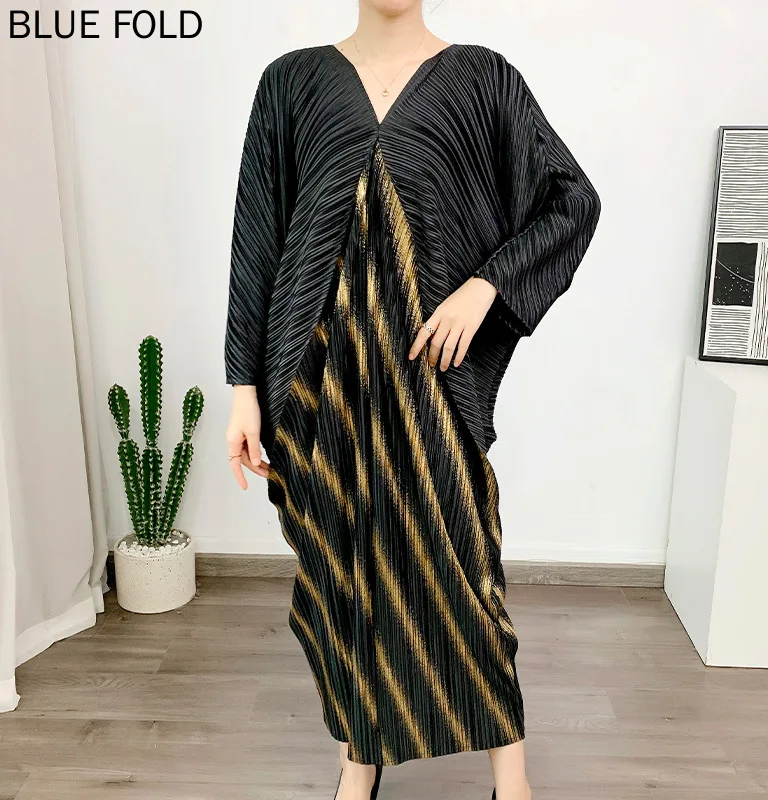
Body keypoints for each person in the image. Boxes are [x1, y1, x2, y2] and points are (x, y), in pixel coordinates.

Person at [224, 3, 601, 799]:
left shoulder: (481, 78)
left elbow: (571, 200)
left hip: (429, 380)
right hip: (316, 381)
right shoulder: (290, 82)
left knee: (462, 571)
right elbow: (257, 240)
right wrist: (243, 390)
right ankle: (359, 761)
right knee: (344, 576)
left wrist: (487, 286)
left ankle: (512, 778)